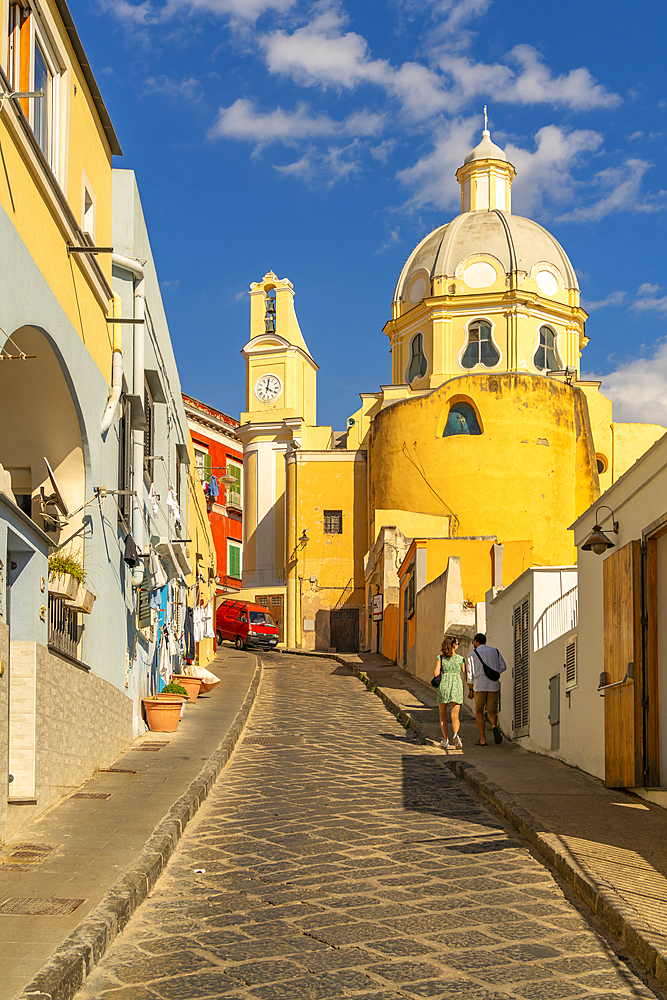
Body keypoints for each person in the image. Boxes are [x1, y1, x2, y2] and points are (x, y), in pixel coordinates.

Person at [466, 632, 507, 746]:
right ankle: (494, 725)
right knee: (492, 711)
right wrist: (493, 673)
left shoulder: (472, 655)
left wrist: (470, 689)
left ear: (475, 642)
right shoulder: (495, 651)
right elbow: (503, 666)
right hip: (493, 685)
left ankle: (483, 739)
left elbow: (470, 674)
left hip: (479, 686)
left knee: (479, 711)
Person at [433, 635, 465, 750]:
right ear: (454, 646)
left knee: (443, 715)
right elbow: (466, 675)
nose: (457, 645)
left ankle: (445, 739)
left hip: (444, 685)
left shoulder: (440, 658)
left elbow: (436, 673)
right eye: (456, 643)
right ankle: (456, 734)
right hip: (456, 685)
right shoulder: (460, 659)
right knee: (455, 715)